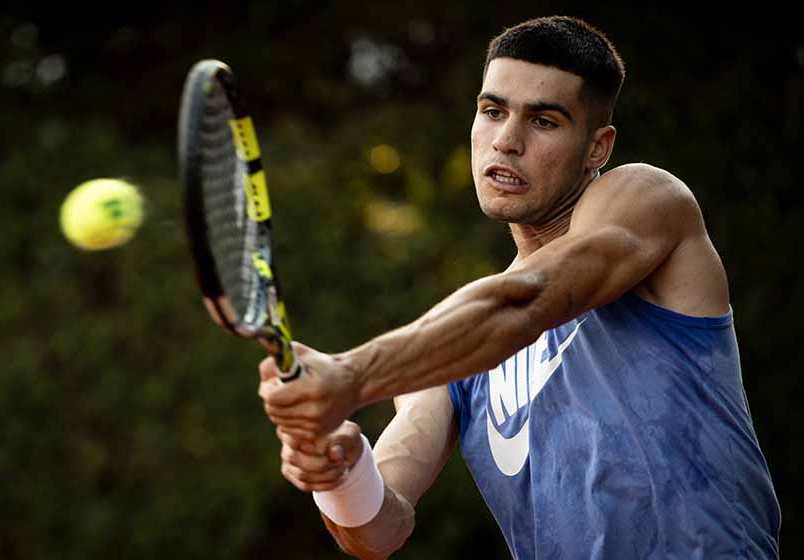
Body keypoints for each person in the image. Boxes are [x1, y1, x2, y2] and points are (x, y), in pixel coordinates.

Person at [258, 15, 781, 559]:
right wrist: (340, 474)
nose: (506, 141)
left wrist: (351, 375)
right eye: (492, 111)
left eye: (545, 121)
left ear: (597, 148)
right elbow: (379, 532)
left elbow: (531, 300)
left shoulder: (648, 201)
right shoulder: (454, 338)